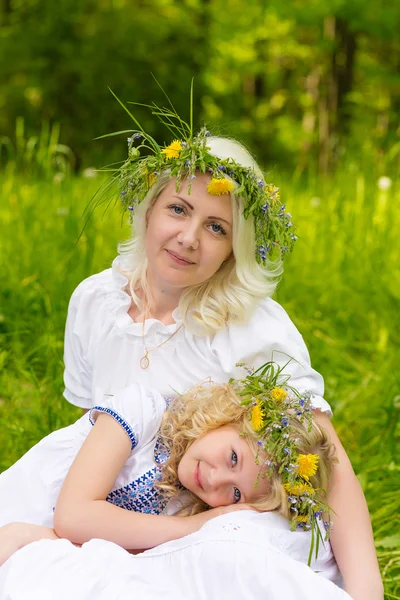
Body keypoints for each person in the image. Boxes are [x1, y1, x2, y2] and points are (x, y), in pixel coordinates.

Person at [2, 95, 383, 599]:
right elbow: (74, 444)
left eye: (216, 227)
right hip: (129, 515)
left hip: (217, 512)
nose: (188, 238)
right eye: (178, 209)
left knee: (237, 553)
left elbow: (325, 464)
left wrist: (367, 592)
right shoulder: (96, 302)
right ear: (149, 208)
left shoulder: (249, 326)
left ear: (234, 247)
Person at [0, 365, 333, 564]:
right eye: (233, 457)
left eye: (234, 493)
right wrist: (199, 524)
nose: (215, 478)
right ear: (232, 418)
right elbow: (73, 517)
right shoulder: (143, 412)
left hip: (34, 550)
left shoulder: (188, 505)